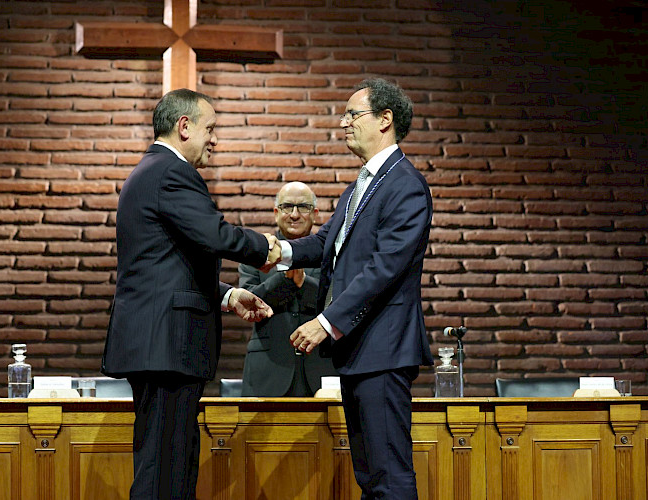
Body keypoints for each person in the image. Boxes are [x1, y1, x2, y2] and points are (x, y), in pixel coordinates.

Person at [101, 88, 281, 500]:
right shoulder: (171, 172)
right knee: (164, 472)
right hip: (166, 345)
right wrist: (270, 248)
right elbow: (214, 234)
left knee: (172, 464)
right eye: (210, 128)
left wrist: (228, 295)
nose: (215, 139)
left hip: (158, 342)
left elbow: (164, 266)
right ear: (184, 126)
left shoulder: (151, 172)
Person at [275, 78, 434, 498]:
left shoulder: (406, 185)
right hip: (361, 352)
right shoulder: (362, 185)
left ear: (385, 120)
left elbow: (384, 268)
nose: (343, 123)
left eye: (352, 114)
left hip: (382, 350)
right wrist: (275, 251)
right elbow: (327, 242)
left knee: (388, 475)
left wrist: (325, 322)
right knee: (370, 475)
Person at [239, 182, 337, 397]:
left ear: (315, 214)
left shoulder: (333, 253)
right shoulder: (255, 251)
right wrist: (286, 282)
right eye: (287, 207)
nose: (294, 214)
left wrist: (304, 283)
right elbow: (247, 302)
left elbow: (338, 303)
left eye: (303, 207)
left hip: (321, 368)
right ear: (276, 213)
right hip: (269, 369)